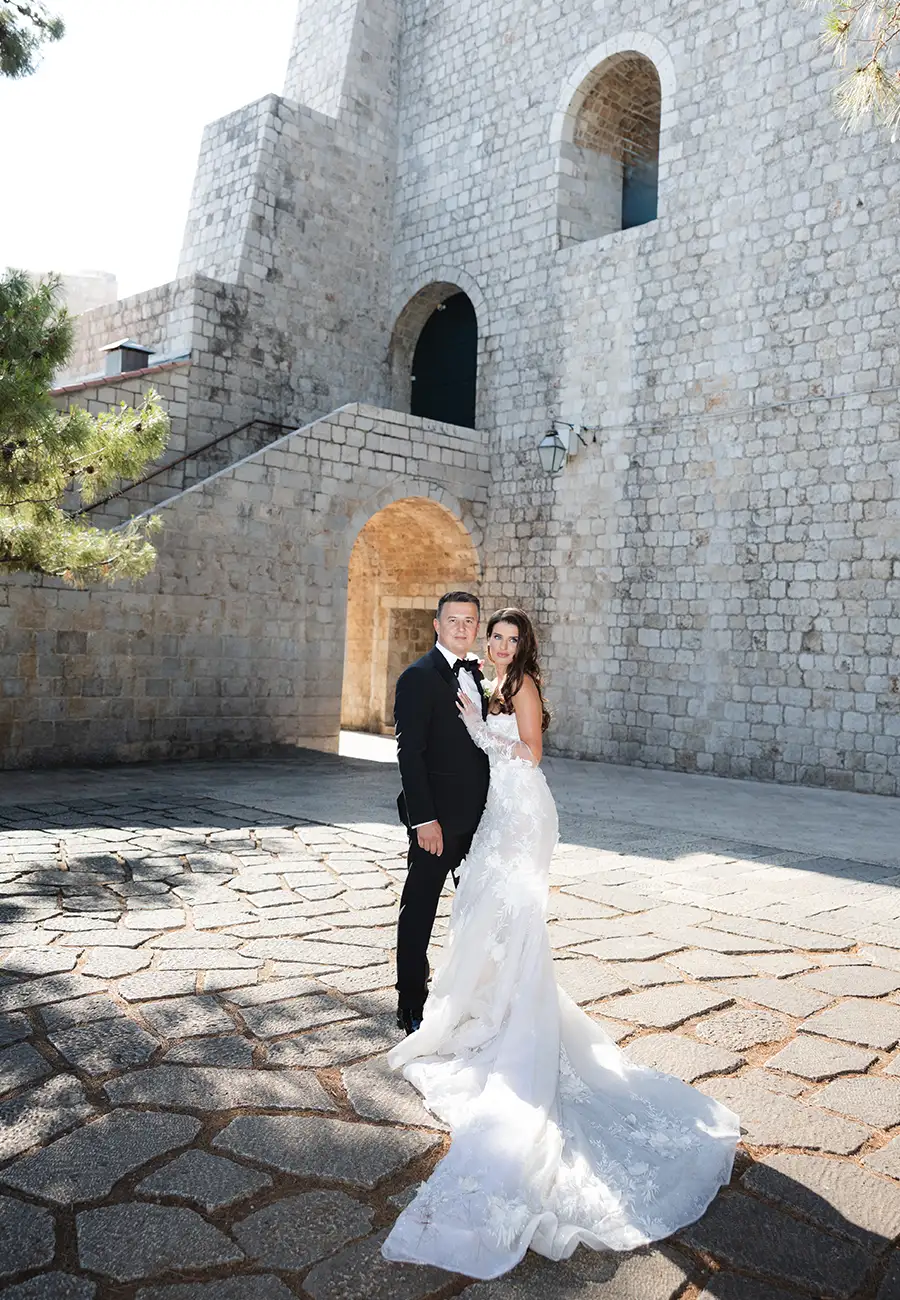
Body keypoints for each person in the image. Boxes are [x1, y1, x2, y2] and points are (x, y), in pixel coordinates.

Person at [382, 607, 740, 1280]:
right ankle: (468, 1006)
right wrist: (467, 736)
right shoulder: (482, 679)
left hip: (521, 813)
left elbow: (531, 752)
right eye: (494, 634)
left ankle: (509, 1018)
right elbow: (429, 748)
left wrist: (477, 729)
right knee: (481, 916)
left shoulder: (520, 685)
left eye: (509, 637)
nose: (498, 643)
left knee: (512, 916)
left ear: (523, 646)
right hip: (490, 816)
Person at [393, 591, 490, 1036]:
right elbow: (409, 754)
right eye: (453, 620)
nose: (462, 628)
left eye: (469, 621)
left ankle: (471, 997)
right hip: (436, 823)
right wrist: (423, 820)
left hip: (481, 822)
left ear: (477, 627)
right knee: (420, 909)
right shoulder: (417, 677)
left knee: (479, 911)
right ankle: (411, 1002)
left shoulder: (478, 676)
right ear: (436, 624)